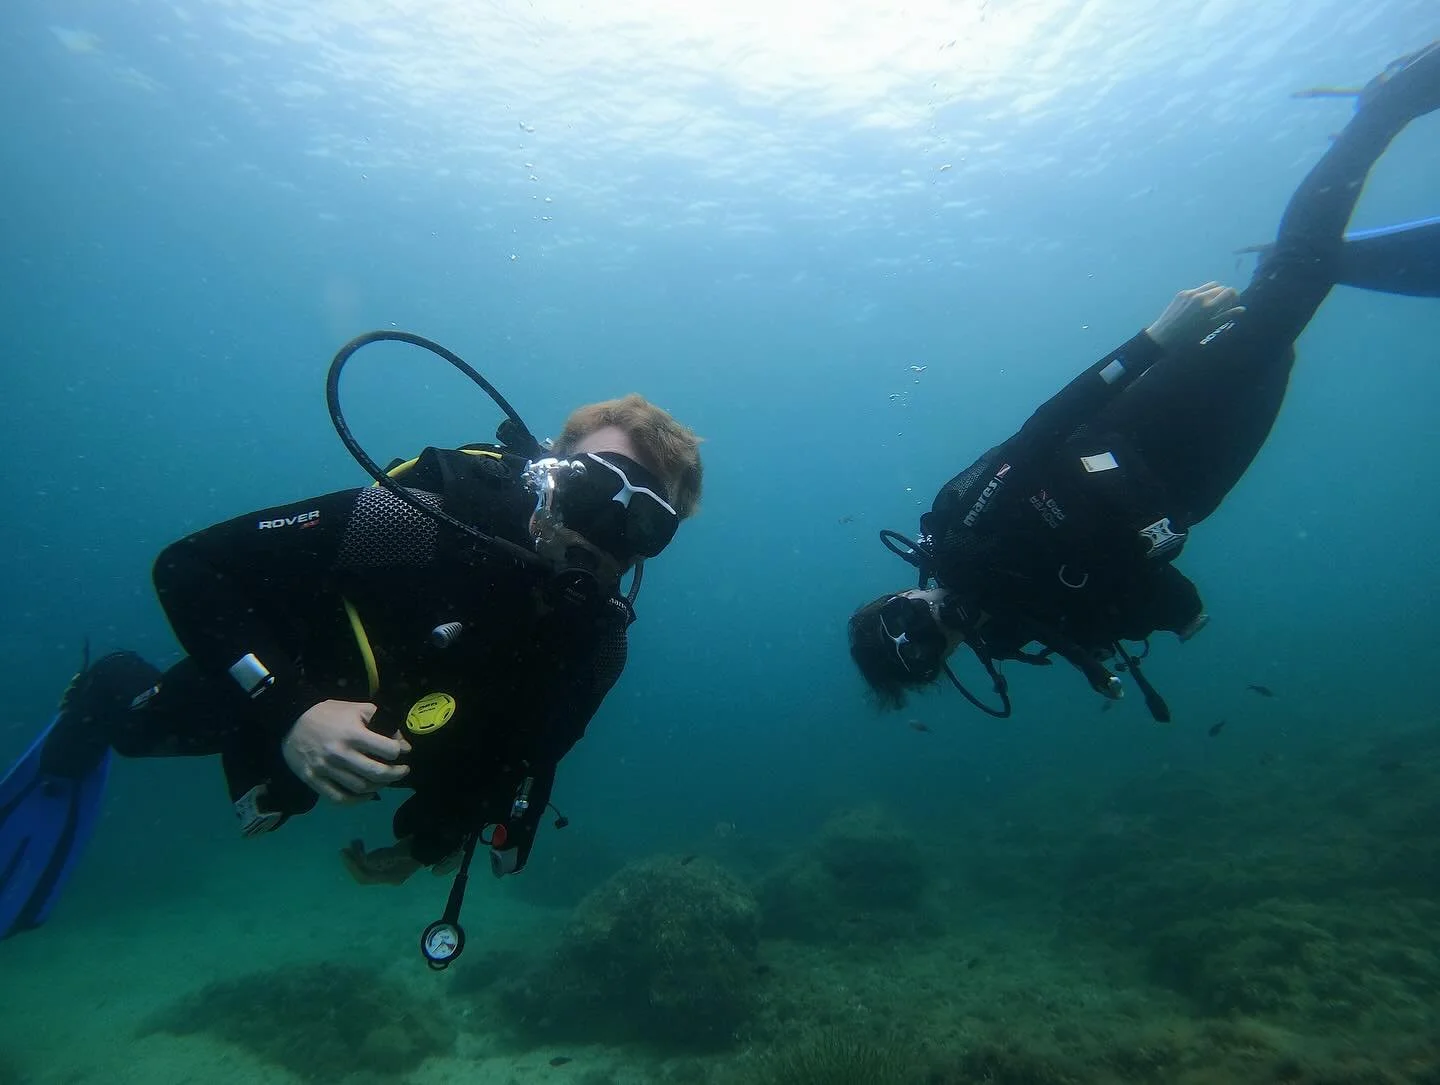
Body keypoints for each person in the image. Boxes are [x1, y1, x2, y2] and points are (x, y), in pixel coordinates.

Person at [848, 42, 1440, 721]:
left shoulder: (961, 523)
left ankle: (1384, 108)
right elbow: (1154, 593)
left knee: (1288, 298)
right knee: (1284, 332)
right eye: (921, 652)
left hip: (1147, 414)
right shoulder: (1026, 633)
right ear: (942, 666)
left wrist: (1153, 341)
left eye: (901, 616)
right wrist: (1152, 625)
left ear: (894, 594)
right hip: (1200, 479)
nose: (928, 625)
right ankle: (1290, 258)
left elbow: (1044, 428)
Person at [0, 390, 703, 953]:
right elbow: (191, 566)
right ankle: (107, 686)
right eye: (594, 488)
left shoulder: (599, 645)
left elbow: (523, 756)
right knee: (137, 729)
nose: (603, 531)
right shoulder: (418, 521)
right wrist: (291, 708)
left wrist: (426, 839)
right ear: (547, 469)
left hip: (378, 731)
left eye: (644, 521)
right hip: (268, 681)